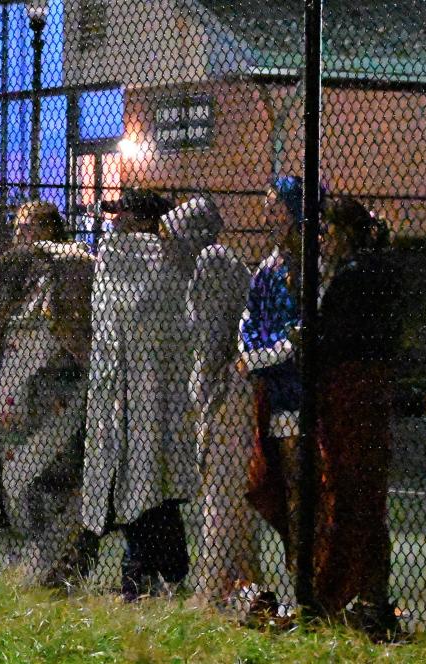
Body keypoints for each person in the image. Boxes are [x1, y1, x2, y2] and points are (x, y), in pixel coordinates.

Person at [81, 188, 207, 600]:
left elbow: (205, 213)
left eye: (127, 213)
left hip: (155, 390)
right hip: (116, 387)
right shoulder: (113, 260)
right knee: (134, 480)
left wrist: (170, 225)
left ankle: (144, 571)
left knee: (149, 478)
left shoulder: (172, 260)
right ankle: (154, 569)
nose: (116, 220)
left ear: (149, 220)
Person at [0, 202, 98, 585]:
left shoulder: (71, 265)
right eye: (18, 226)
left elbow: (71, 328)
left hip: (58, 390)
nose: (21, 234)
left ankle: (64, 564)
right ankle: (36, 557)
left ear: (52, 230)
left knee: (59, 475)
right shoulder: (19, 272)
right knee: (22, 478)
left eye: (30, 227)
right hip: (17, 392)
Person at [312, 197, 400, 631]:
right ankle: (372, 599)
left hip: (350, 393)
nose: (322, 239)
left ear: (343, 233)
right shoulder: (379, 270)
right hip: (370, 390)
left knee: (350, 494)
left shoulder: (353, 277)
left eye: (327, 231)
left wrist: (308, 338)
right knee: (366, 495)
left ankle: (342, 596)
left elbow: (335, 338)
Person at [181, 207, 261, 609]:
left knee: (221, 494)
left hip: (227, 391)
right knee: (231, 498)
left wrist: (207, 404)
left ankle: (213, 589)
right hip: (228, 387)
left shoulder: (211, 262)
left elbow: (214, 340)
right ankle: (246, 585)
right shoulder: (213, 262)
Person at [240, 175, 313, 586]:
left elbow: (303, 330)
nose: (268, 214)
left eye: (276, 206)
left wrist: (264, 356)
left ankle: (311, 575)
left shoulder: (309, 265)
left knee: (303, 480)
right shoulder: (270, 267)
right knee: (284, 482)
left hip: (303, 387)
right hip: (278, 387)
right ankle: (299, 572)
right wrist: (258, 355)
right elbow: (252, 320)